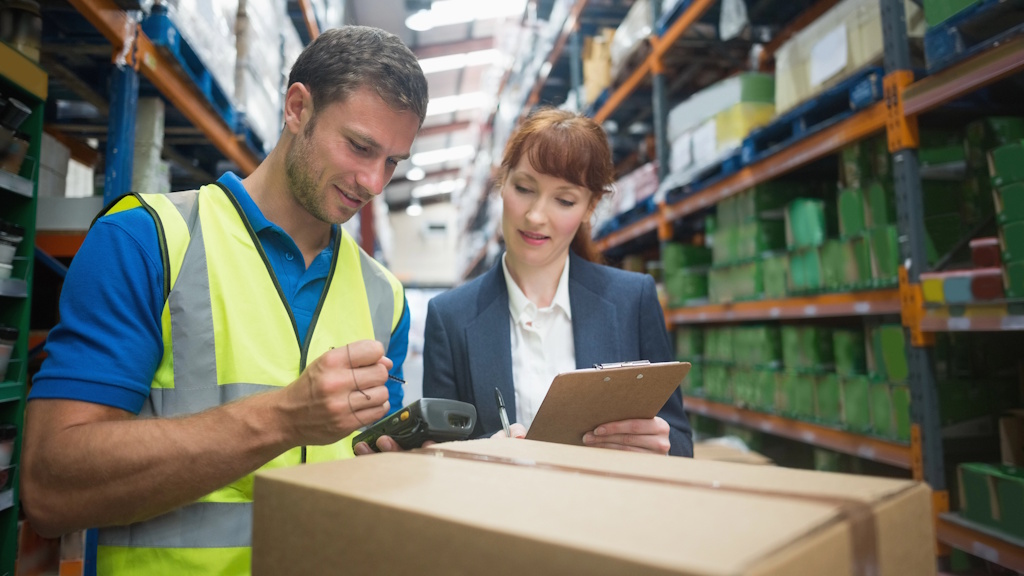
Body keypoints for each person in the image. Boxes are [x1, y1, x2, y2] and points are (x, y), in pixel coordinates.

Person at [21, 26, 428, 574]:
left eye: (393, 162)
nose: (374, 182)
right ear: (297, 108)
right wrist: (283, 418)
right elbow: (49, 489)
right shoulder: (148, 240)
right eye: (359, 146)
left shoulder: (386, 297)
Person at [422, 108, 693, 457]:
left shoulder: (632, 301)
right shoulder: (449, 317)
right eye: (524, 188)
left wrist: (661, 445)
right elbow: (437, 455)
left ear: (590, 206)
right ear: (502, 182)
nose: (536, 216)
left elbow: (680, 442)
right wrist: (480, 454)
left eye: (564, 200)